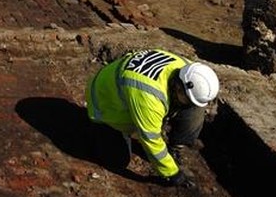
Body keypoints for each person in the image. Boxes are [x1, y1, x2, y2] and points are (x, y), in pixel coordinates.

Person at [85, 48, 219, 187]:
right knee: (116, 161)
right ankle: (97, 131)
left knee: (194, 108)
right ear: (178, 87)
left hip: (132, 90)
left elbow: (192, 100)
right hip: (105, 105)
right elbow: (151, 139)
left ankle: (176, 147)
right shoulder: (148, 96)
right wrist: (173, 174)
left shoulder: (189, 70)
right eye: (185, 98)